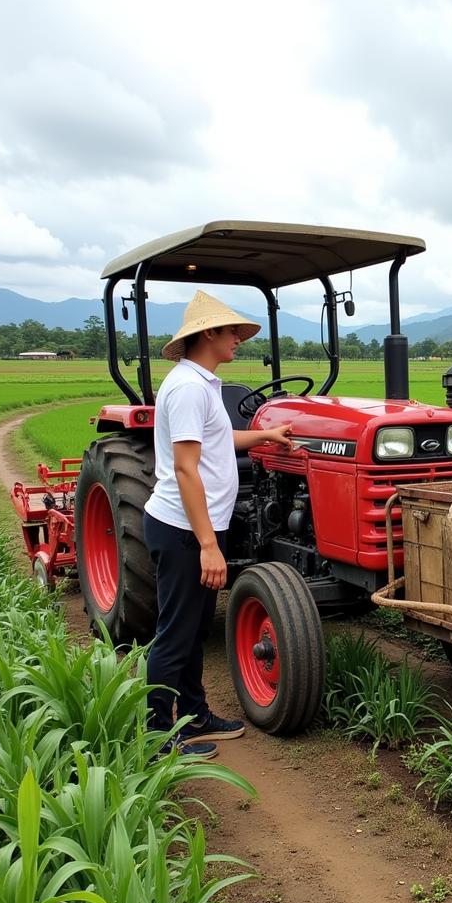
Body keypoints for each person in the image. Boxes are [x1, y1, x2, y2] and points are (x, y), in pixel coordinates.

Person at [143, 289, 293, 758]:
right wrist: (209, 545)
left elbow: (218, 436)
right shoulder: (188, 389)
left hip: (200, 528)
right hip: (184, 529)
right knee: (175, 634)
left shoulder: (199, 383)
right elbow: (187, 468)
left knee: (194, 628)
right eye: (232, 332)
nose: (238, 341)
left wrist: (267, 433)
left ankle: (193, 715)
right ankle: (158, 736)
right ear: (208, 334)